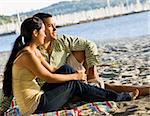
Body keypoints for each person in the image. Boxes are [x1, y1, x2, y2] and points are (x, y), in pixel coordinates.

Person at [2, 17, 139, 115]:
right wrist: (75, 76)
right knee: (73, 84)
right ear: (35, 33)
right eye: (43, 31)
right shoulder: (27, 55)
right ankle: (121, 97)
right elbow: (48, 77)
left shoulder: (32, 50)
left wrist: (75, 75)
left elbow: (53, 69)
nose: (45, 34)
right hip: (35, 106)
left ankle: (87, 90)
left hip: (39, 97)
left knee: (66, 69)